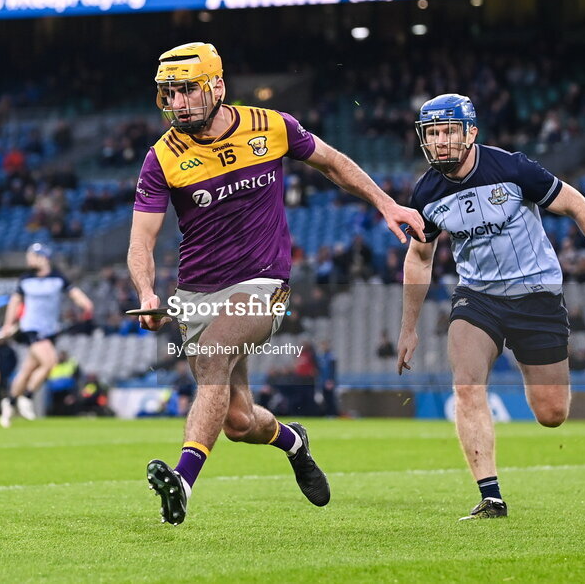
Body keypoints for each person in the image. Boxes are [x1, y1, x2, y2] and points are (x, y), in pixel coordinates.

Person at [129, 42, 425, 525]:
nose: (177, 103)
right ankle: (294, 441)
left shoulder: (271, 126)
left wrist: (386, 203)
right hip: (196, 297)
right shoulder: (161, 158)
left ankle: (181, 481)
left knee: (216, 353)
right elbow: (141, 240)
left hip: (264, 285)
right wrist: (146, 291)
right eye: (169, 93)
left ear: (217, 87)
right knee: (240, 422)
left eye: (187, 91)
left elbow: (333, 162)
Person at [396, 93, 585, 521]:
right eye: (432, 133)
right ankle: (491, 497)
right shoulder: (426, 193)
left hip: (537, 293)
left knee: (551, 413)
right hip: (477, 297)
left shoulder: (512, 168)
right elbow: (419, 257)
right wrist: (408, 327)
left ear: (471, 132)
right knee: (466, 384)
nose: (440, 141)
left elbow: (578, 205)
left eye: (449, 130)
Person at [0, 243, 93, 428]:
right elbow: (14, 302)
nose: (28, 260)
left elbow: (75, 294)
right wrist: (7, 325)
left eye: (32, 256)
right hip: (31, 329)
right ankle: (27, 397)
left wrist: (86, 305)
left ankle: (9, 402)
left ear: (43, 257)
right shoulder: (25, 279)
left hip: (50, 331)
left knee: (27, 370)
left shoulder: (57, 278)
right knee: (49, 362)